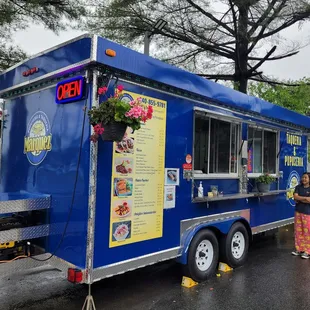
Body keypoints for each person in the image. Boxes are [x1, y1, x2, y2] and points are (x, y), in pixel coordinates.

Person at [292, 172, 310, 259]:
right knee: (298, 231)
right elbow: (295, 197)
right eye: (303, 177)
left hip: (307, 213)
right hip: (298, 211)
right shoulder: (298, 187)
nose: (304, 179)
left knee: (307, 232)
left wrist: (300, 198)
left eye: (306, 178)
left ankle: (307, 251)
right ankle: (299, 249)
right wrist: (305, 198)